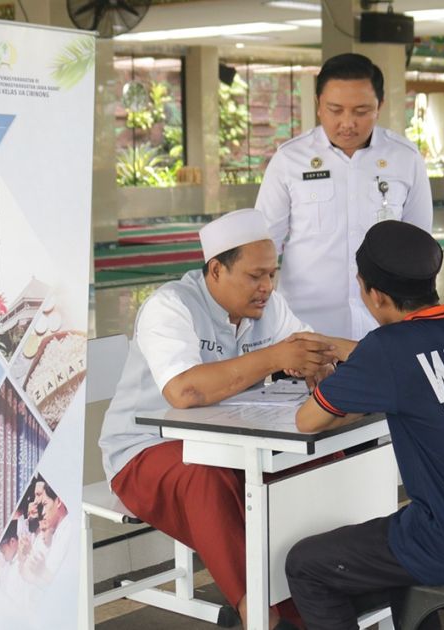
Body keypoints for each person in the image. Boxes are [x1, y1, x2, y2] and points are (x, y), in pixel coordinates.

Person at [284, 221, 444, 630]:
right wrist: (334, 348)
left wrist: (327, 370)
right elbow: (410, 354)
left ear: (376, 295)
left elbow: (307, 419)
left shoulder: (388, 351)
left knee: (305, 564)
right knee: (393, 550)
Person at [98, 208, 337, 629]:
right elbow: (184, 392)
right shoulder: (170, 306)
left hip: (231, 443)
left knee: (307, 466)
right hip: (143, 451)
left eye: (272, 275)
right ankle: (260, 613)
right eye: (254, 276)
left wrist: (319, 363)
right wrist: (276, 357)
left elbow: (314, 347)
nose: (267, 288)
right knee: (207, 478)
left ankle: (314, 597)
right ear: (215, 271)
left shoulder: (272, 308)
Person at [256, 53, 433, 340]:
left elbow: (419, 247)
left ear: (380, 107)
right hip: (305, 328)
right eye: (335, 110)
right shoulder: (290, 159)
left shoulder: (405, 158)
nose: (347, 123)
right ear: (318, 106)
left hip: (386, 328)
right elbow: (264, 243)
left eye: (361, 111)